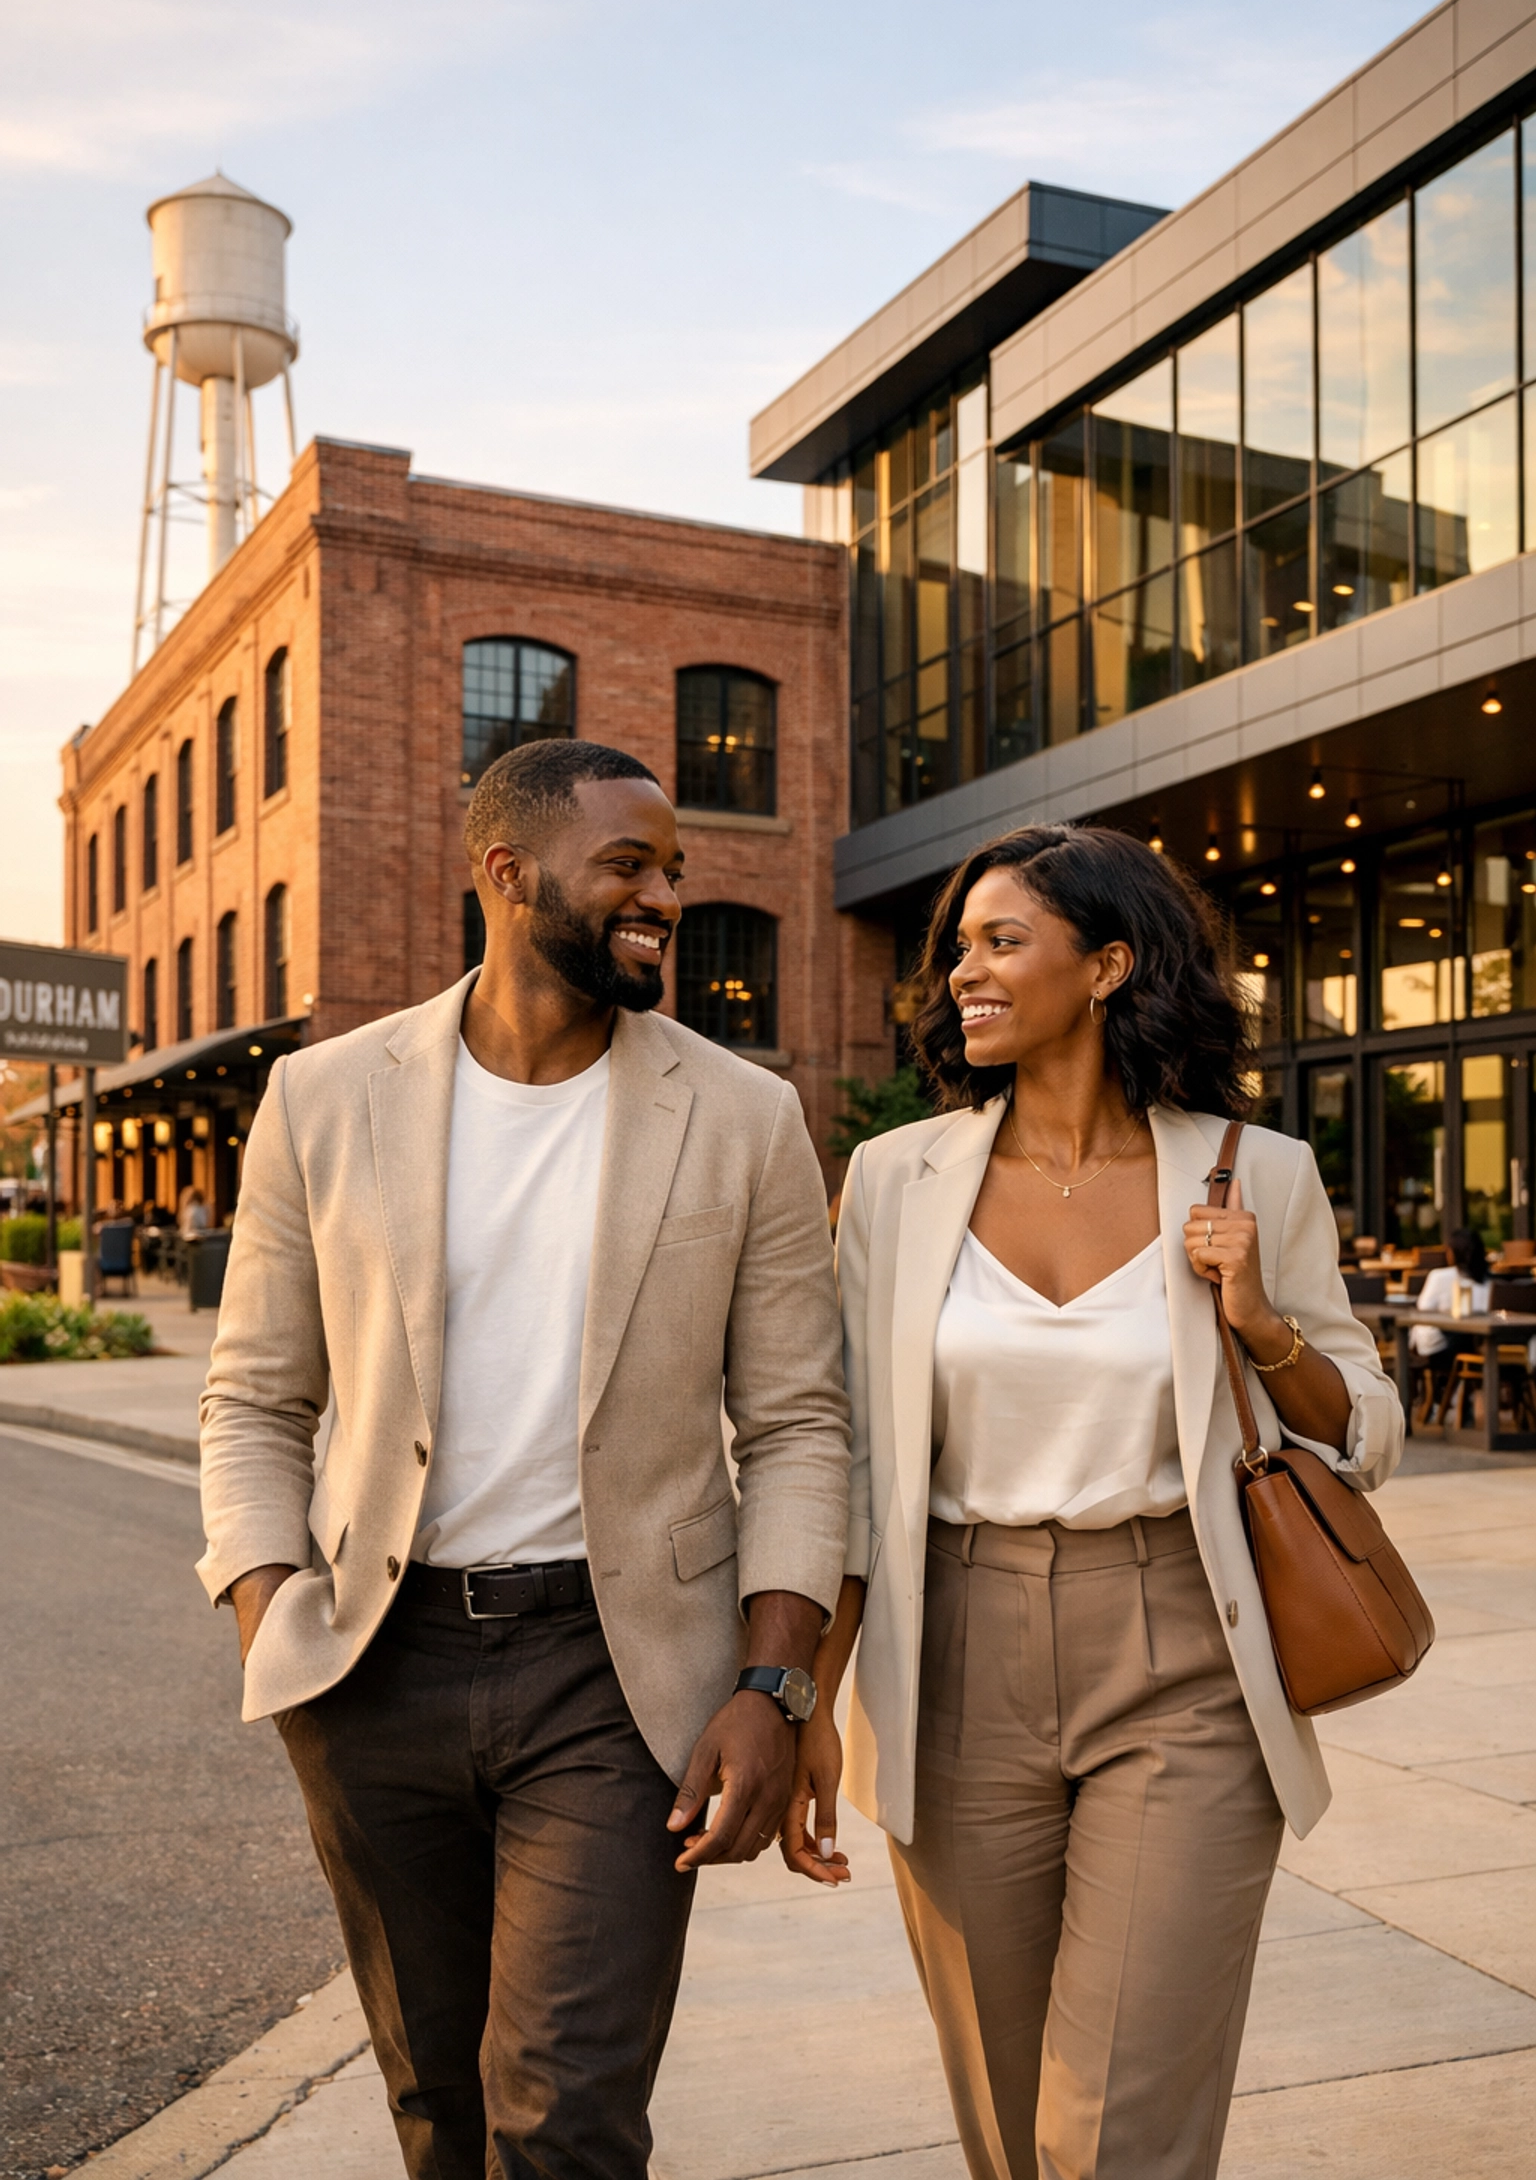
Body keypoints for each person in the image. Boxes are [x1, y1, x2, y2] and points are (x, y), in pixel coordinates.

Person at [198, 738, 850, 2180]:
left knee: (565, 2111)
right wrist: (265, 1606)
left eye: (674, 871)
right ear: (506, 873)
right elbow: (252, 1396)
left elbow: (802, 1422)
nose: (664, 898)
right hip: (376, 1665)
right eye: (630, 865)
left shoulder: (744, 1117)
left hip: (615, 1680)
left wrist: (776, 1681)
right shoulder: (325, 1097)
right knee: (436, 2100)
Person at [779, 823, 1402, 2180]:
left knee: (1114, 2127)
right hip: (953, 1652)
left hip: (1183, 1648)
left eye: (1003, 942)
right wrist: (809, 1700)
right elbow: (846, 1455)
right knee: (1009, 2120)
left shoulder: (1257, 1170)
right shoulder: (895, 1181)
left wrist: (1262, 1325)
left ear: (1110, 963)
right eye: (959, 949)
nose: (963, 974)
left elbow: (1369, 1427)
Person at [1409, 1227, 1491, 1408]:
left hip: (1439, 1347)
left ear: (1453, 1252)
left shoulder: (1440, 1277)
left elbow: (1423, 1308)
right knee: (1466, 1339)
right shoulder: (1486, 1280)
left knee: (1461, 1337)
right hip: (1467, 1345)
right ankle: (1459, 1397)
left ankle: (1451, 1397)